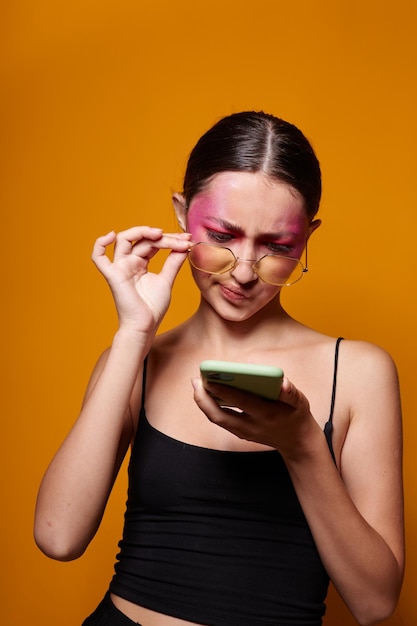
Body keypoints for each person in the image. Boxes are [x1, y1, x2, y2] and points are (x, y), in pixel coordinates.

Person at [34, 111, 404, 626]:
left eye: (277, 246)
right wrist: (133, 334)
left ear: (307, 238)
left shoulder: (359, 373)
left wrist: (300, 446)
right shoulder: (137, 360)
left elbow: (374, 604)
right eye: (223, 235)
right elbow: (58, 536)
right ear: (182, 216)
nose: (246, 271)